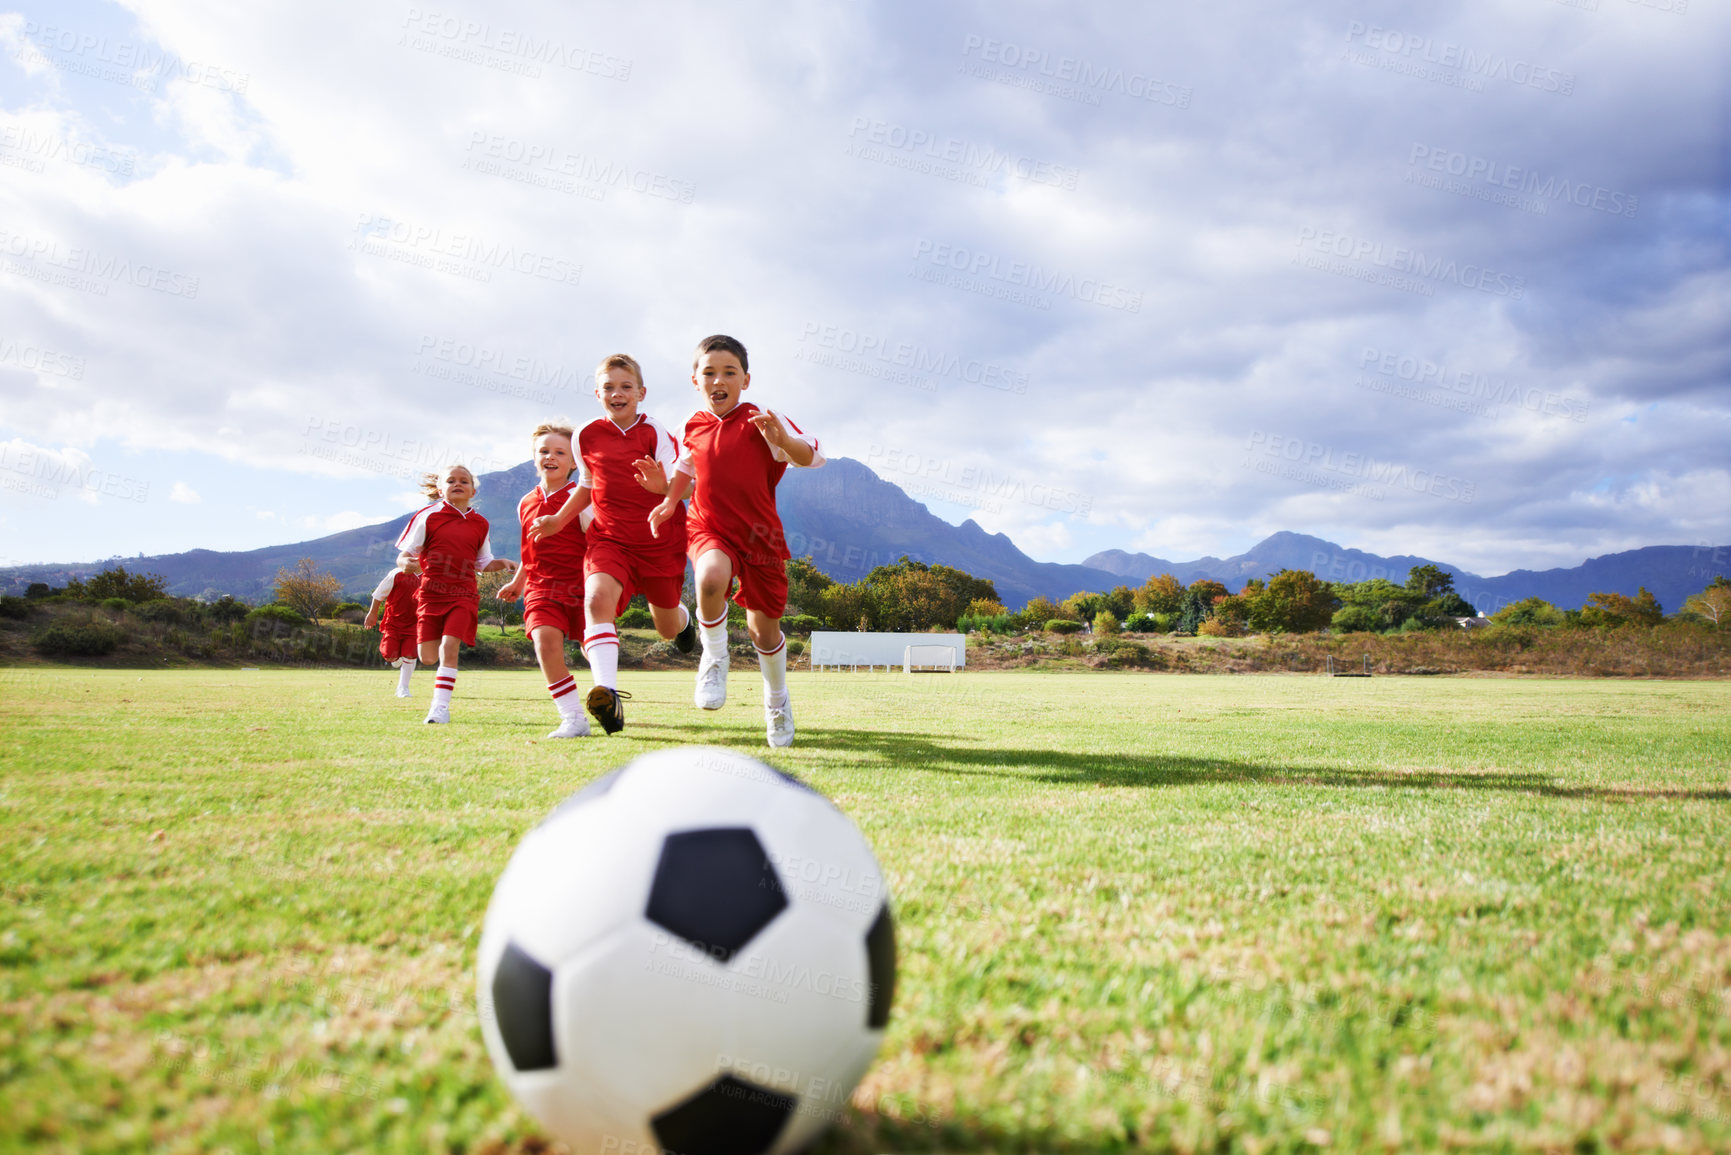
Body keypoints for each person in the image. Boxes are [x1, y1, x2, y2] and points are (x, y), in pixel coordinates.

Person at [648, 334, 823, 747]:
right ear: (695, 380)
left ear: (746, 379)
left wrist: (784, 442)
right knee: (709, 579)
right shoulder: (690, 426)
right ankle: (714, 655)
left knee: (764, 633)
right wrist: (669, 498)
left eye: (729, 372)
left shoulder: (762, 419)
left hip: (761, 537)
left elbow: (811, 456)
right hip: (708, 527)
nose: (718, 380)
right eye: (709, 372)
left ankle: (776, 701)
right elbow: (685, 472)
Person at [528, 355, 696, 734]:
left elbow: (688, 486)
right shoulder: (586, 435)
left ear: (641, 393)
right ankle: (609, 695)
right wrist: (558, 519)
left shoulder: (656, 432)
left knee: (666, 628)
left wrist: (660, 488)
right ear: (597, 393)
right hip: (609, 539)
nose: (616, 394)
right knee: (595, 600)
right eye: (608, 387)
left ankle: (685, 621)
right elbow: (587, 485)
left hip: (659, 542)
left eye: (625, 387)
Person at [395, 464, 515, 724]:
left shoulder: (481, 523)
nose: (457, 484)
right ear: (440, 489)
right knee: (427, 657)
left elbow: (483, 563)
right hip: (430, 594)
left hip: (464, 595)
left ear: (473, 490)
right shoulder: (428, 516)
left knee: (450, 647)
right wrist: (406, 564)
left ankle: (439, 709)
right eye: (451, 480)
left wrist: (504, 563)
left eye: (464, 481)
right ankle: (429, 678)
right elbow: (404, 555)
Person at [497, 424, 594, 738]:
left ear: (575, 462)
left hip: (583, 587)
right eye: (544, 451)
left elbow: (599, 544)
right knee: (545, 642)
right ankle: (573, 718)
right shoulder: (525, 502)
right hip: (542, 587)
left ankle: (608, 698)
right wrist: (518, 583)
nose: (551, 456)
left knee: (590, 649)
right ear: (534, 458)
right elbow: (530, 549)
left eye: (560, 452)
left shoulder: (582, 500)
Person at [362, 563, 420, 697]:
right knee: (389, 654)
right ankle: (396, 659)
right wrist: (372, 614)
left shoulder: (431, 576)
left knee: (410, 653)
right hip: (393, 622)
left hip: (415, 623)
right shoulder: (397, 573)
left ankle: (403, 688)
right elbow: (378, 594)